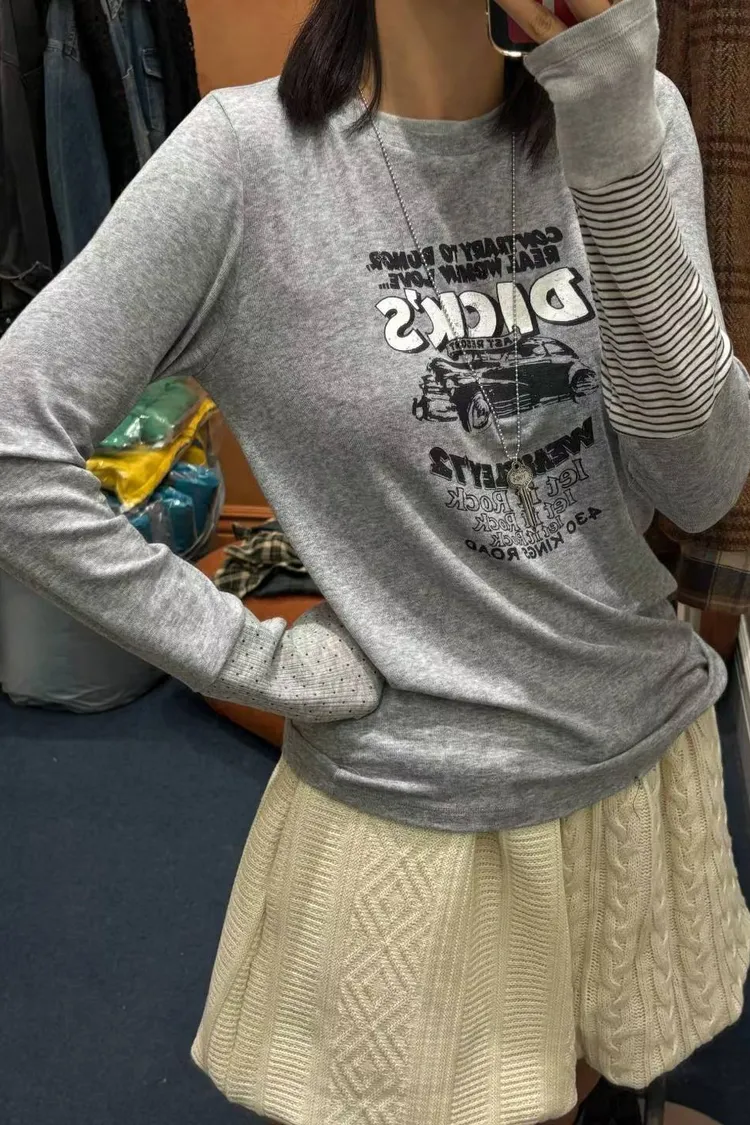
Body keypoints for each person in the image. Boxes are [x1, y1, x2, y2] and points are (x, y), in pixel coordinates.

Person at [1, 0, 749, 1122]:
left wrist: (611, 119)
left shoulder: (638, 115)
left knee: (604, 1077)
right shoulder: (246, 164)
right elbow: (14, 444)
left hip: (638, 745)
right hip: (427, 802)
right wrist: (252, 662)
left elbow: (699, 483)